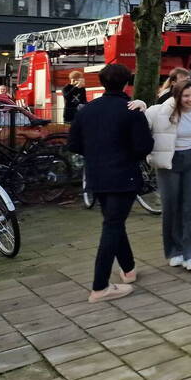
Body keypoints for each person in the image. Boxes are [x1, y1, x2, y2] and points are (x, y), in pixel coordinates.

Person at [67, 63, 153, 302]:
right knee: (112, 226)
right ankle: (99, 286)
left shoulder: (87, 110)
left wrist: (96, 154)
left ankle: (128, 270)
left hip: (97, 175)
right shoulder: (131, 111)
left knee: (114, 222)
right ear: (126, 83)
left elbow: (73, 144)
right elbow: (144, 146)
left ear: (102, 83)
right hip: (123, 176)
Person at [145, 79, 191, 272]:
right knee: (171, 206)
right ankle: (174, 250)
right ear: (177, 96)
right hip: (169, 162)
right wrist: (141, 104)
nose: (190, 99)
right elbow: (142, 123)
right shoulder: (160, 112)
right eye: (186, 96)